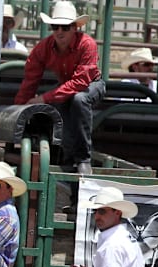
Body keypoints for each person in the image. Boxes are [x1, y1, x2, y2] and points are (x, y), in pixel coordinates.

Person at [14, 1, 105, 176]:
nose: (59, 31)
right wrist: (21, 107)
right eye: (56, 27)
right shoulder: (44, 47)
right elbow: (30, 79)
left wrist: (43, 98)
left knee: (79, 99)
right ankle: (67, 156)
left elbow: (80, 82)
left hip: (91, 84)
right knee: (63, 104)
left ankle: (83, 158)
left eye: (65, 27)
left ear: (74, 28)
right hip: (66, 85)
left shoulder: (87, 44)